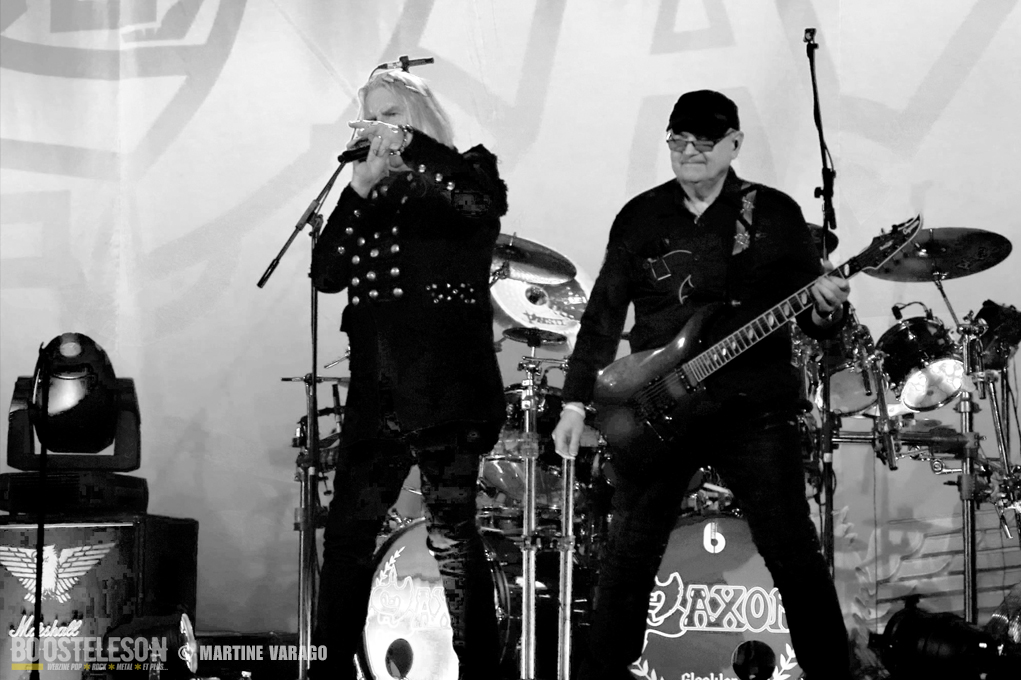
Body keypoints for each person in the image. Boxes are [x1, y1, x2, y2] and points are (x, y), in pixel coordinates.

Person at [552, 90, 853, 680]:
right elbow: (603, 315)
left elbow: (818, 321)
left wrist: (827, 308)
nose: (689, 151)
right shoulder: (640, 216)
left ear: (734, 144)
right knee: (628, 556)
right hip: (657, 404)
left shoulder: (773, 214)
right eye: (678, 140)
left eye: (704, 141)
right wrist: (574, 402)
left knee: (793, 552)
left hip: (753, 409)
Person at [309, 69, 507, 680]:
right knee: (347, 536)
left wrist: (411, 147)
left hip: (446, 387)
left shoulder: (465, 172)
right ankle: (329, 670)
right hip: (378, 391)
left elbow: (480, 203)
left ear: (419, 116)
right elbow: (326, 274)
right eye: (369, 115)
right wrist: (357, 189)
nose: (377, 126)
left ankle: (480, 671)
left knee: (451, 536)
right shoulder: (370, 194)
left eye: (390, 113)